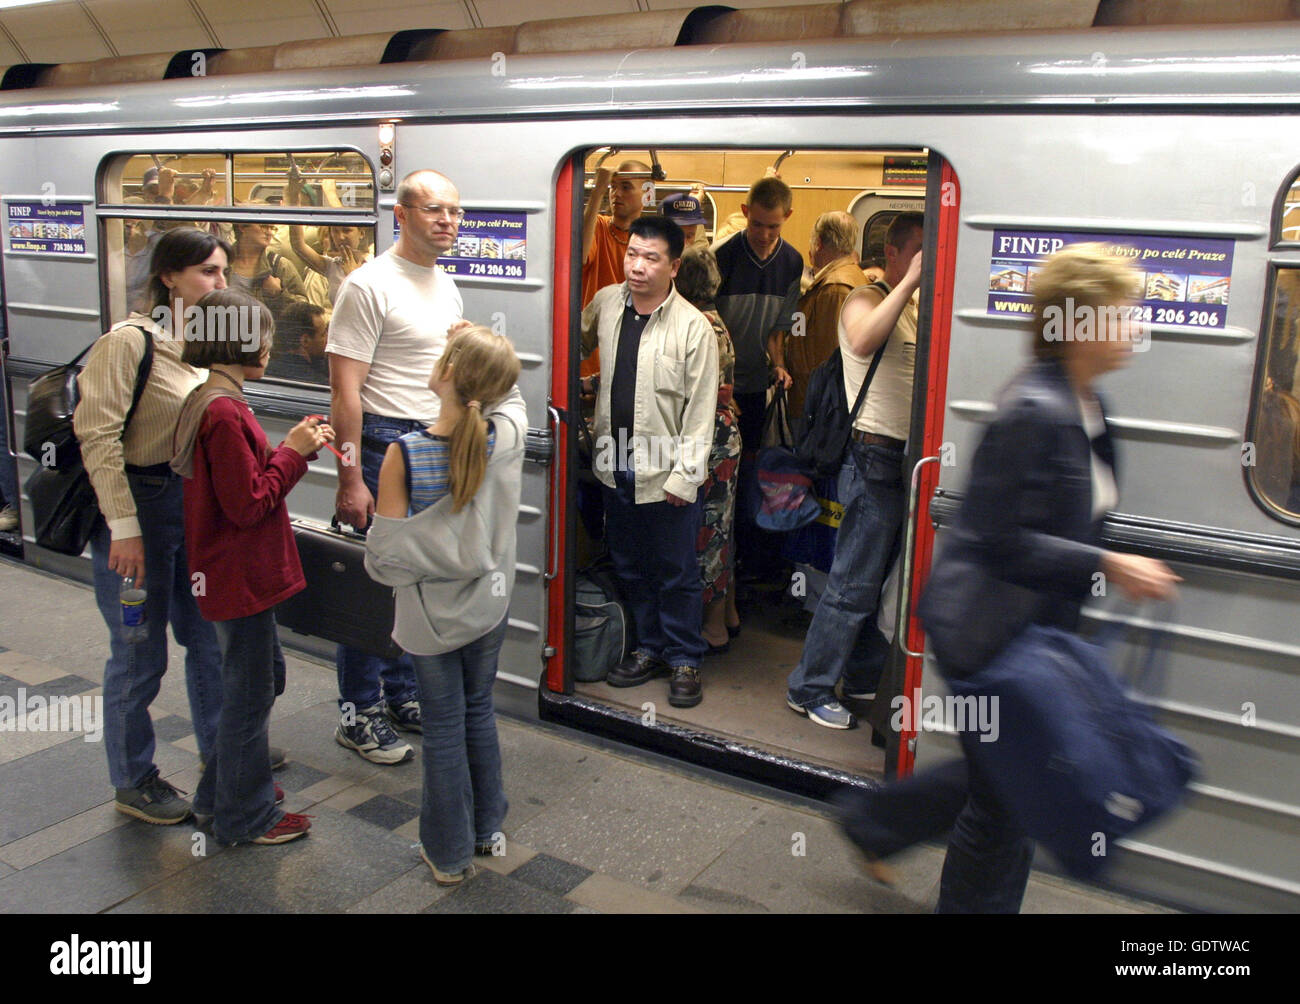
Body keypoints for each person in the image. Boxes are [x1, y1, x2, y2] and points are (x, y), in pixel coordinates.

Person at [836, 243, 1181, 912]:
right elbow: (997, 540)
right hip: (989, 638)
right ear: (1078, 322)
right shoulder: (1033, 411)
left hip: (1034, 636)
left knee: (1006, 783)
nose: (1136, 328)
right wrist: (1107, 566)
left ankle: (874, 823)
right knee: (1007, 807)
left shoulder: (1088, 406)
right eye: (1123, 314)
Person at [73, 227, 229, 824]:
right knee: (139, 654)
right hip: (139, 508)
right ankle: (134, 778)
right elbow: (99, 437)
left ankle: (224, 757)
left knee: (208, 642)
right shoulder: (128, 343)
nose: (220, 283)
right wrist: (124, 528)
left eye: (222, 273)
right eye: (208, 273)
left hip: (188, 508)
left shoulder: (204, 338)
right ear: (170, 277)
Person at [365, 325, 525, 885]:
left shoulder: (404, 456)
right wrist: (483, 344)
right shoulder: (505, 436)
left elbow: (384, 558)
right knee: (477, 711)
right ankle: (487, 829)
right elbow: (511, 392)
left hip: (430, 621)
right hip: (489, 607)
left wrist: (419, 556)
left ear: (449, 374)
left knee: (442, 727)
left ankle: (449, 853)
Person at [172, 289, 333, 845]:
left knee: (259, 684)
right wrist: (289, 453)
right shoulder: (222, 411)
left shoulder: (212, 400)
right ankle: (247, 817)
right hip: (238, 574)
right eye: (265, 336)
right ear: (242, 341)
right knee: (249, 695)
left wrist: (293, 450)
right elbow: (247, 504)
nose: (272, 347)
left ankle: (222, 796)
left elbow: (233, 486)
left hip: (230, 573)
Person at [327, 167, 468, 764]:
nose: (448, 222)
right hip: (384, 441)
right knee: (374, 583)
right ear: (402, 215)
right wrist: (350, 475)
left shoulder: (447, 285)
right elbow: (345, 391)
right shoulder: (367, 286)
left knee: (417, 583)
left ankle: (400, 692)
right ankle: (357, 714)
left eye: (455, 212)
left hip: (433, 442)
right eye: (435, 210)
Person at [784, 212, 923, 730]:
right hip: (871, 458)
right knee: (851, 582)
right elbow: (862, 342)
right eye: (918, 254)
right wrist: (910, 281)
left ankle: (861, 676)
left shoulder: (914, 309)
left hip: (907, 463)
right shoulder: (864, 298)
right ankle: (809, 686)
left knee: (884, 584)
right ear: (893, 253)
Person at [579, 215, 717, 707]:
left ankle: (684, 657)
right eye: (632, 254)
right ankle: (648, 647)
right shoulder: (607, 303)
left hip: (666, 470)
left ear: (674, 266)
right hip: (613, 461)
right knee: (630, 565)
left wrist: (686, 476)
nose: (636, 267)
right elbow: (575, 341)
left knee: (676, 569)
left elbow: (701, 412)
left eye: (650, 258)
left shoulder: (693, 328)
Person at [712, 176, 805, 581]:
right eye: (758, 225)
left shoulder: (792, 263)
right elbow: (705, 327)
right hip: (718, 390)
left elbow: (776, 332)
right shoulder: (721, 257)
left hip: (755, 391)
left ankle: (749, 566)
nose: (766, 235)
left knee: (751, 477)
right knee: (718, 483)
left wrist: (779, 364)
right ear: (746, 214)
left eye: (775, 226)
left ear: (787, 217)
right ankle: (722, 567)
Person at [675, 246, 741, 653]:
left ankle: (712, 627)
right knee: (723, 528)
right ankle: (727, 614)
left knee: (709, 534)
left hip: (709, 442)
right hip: (724, 437)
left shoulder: (697, 326)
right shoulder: (716, 322)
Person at [770, 211, 868, 418]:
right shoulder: (843, 280)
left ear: (819, 243)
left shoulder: (835, 289)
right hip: (815, 402)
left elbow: (831, 357)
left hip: (819, 409)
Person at [581, 159, 651, 309]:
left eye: (626, 187)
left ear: (648, 194)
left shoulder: (651, 239)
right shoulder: (598, 226)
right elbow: (579, 257)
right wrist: (597, 193)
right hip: (593, 326)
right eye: (613, 187)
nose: (616, 194)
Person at [227, 220, 309, 324]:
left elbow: (305, 313)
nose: (269, 232)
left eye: (272, 228)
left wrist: (278, 295)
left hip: (266, 337)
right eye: (264, 226)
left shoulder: (280, 266)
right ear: (242, 227)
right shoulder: (220, 263)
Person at [268, 301, 330, 384]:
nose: (328, 338)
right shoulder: (319, 385)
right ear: (305, 341)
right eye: (323, 334)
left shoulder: (264, 373)